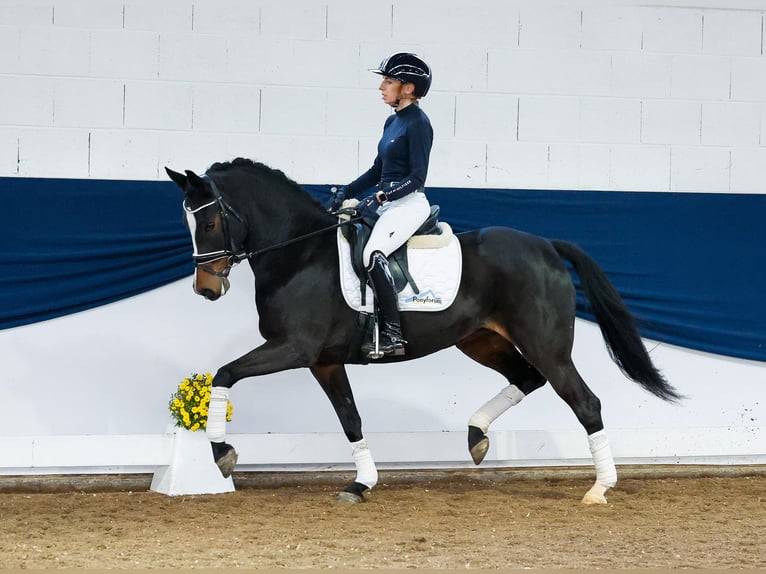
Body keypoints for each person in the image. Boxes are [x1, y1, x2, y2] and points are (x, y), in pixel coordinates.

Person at [328, 52, 434, 357]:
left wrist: (383, 197)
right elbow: (378, 170)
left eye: (389, 81)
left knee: (373, 254)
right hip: (386, 202)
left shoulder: (419, 124)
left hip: (408, 204)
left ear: (409, 88)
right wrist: (346, 191)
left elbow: (417, 177)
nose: (382, 87)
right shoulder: (392, 121)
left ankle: (393, 333)